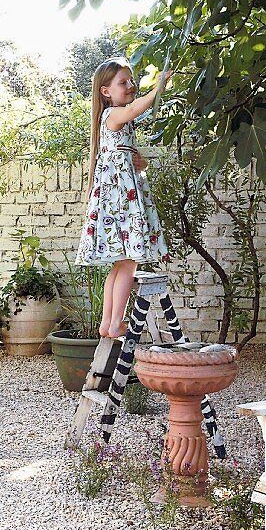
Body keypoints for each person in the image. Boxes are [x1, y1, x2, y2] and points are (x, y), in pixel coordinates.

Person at [75, 58, 170, 339]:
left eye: (132, 81)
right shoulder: (112, 115)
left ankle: (108, 323)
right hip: (120, 202)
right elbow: (136, 108)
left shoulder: (119, 121)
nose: (131, 86)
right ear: (106, 91)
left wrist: (138, 162)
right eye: (123, 82)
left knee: (120, 263)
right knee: (129, 261)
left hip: (120, 197)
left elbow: (126, 157)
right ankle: (116, 322)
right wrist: (159, 86)